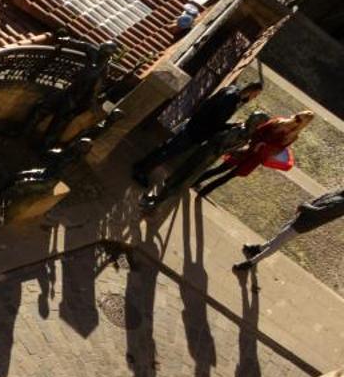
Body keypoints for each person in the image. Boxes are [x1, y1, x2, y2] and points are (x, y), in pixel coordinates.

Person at [132, 80, 263, 186]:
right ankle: (142, 171)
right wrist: (232, 125)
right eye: (255, 95)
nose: (254, 98)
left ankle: (142, 164)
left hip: (194, 124)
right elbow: (216, 123)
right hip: (198, 131)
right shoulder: (231, 100)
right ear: (251, 91)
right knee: (170, 152)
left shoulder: (232, 89)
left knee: (168, 146)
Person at [194, 111, 313, 198]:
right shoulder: (279, 122)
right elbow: (259, 131)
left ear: (302, 124)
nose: (295, 119)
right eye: (297, 116)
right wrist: (258, 143)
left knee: (229, 175)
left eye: (298, 120)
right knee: (221, 169)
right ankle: (195, 182)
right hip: (250, 151)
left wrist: (263, 146)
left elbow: (277, 149)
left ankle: (204, 191)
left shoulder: (291, 135)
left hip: (256, 157)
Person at [236, 187, 344, 271]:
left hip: (304, 224)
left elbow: (320, 212)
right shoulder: (339, 193)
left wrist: (304, 206)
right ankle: (259, 249)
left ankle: (252, 262)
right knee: (280, 236)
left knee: (278, 243)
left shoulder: (341, 204)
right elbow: (321, 199)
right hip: (302, 217)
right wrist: (305, 205)